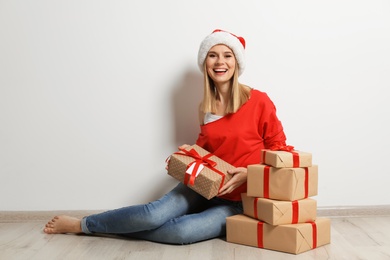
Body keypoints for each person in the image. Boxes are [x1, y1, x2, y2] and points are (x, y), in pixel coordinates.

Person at [43, 29, 287, 244]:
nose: (219, 62)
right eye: (213, 55)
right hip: (204, 186)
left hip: (238, 202)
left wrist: (249, 173)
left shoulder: (259, 101)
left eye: (227, 55)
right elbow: (207, 152)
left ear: (236, 62)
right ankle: (82, 225)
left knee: (180, 233)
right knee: (152, 215)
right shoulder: (206, 107)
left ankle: (109, 229)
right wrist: (189, 154)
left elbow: (280, 151)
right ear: (205, 62)